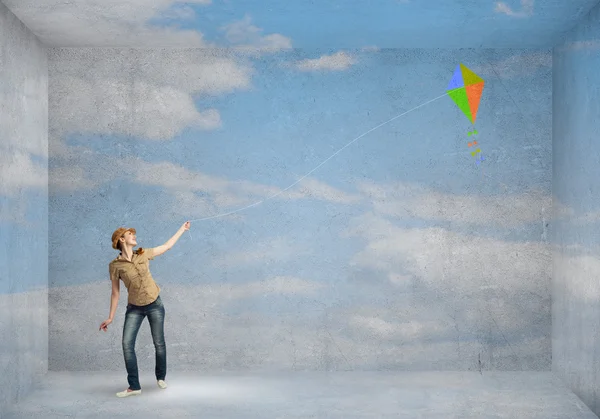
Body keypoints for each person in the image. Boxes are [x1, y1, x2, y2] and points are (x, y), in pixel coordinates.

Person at [99, 221, 191, 398]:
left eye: (133, 233)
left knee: (159, 342)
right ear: (121, 239)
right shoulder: (115, 266)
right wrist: (110, 317)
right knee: (127, 344)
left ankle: (160, 377)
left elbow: (166, 246)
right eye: (130, 234)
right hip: (134, 308)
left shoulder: (144, 254)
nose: (134, 235)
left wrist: (182, 229)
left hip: (155, 304)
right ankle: (134, 386)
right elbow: (115, 293)